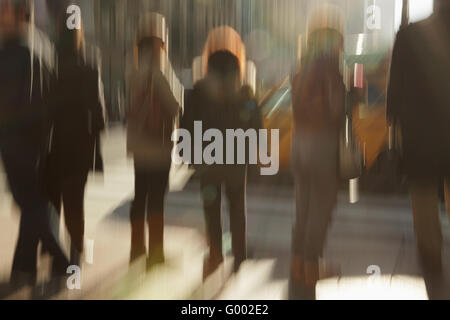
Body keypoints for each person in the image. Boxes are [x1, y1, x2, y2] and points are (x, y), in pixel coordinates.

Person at [0, 0, 69, 290]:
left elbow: (12, 103)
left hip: (20, 144)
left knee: (32, 208)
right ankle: (23, 268)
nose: (0, 16)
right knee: (33, 206)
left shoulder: (17, 50)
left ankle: (64, 263)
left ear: (19, 14)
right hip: (37, 144)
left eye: (3, 10)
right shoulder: (39, 45)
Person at [183, 26, 261, 279]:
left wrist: (189, 156)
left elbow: (187, 126)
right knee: (238, 207)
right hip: (236, 160)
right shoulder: (245, 92)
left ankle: (215, 254)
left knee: (211, 208)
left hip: (209, 161)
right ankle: (238, 255)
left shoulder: (198, 91)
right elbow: (256, 127)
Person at [386, 0, 450, 299]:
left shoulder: (410, 34)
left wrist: (395, 129)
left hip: (420, 135)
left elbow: (395, 90)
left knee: (423, 202)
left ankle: (432, 262)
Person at [289, 5, 345, 300]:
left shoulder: (301, 65)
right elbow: (336, 109)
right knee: (321, 207)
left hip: (299, 143)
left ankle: (298, 263)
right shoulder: (330, 65)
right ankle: (311, 265)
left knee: (304, 206)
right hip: (322, 143)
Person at [44, 18, 105, 267]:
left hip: (50, 145)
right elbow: (99, 115)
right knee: (75, 204)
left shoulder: (47, 66)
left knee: (52, 202)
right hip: (78, 147)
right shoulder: (88, 68)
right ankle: (75, 253)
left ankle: (53, 253)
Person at [127, 13, 180, 269]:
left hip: (138, 147)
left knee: (139, 196)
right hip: (158, 147)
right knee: (156, 198)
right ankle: (155, 255)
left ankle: (136, 249)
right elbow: (173, 106)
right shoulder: (159, 74)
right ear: (160, 46)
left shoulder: (133, 72)